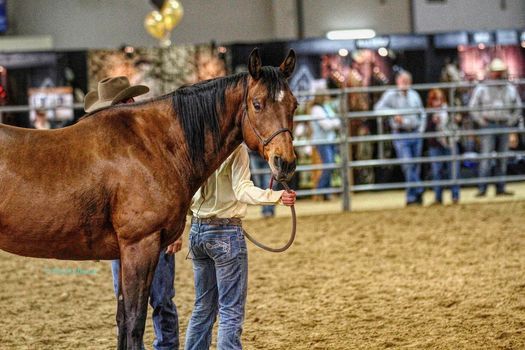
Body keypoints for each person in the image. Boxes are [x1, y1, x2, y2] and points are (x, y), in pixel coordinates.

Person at [84, 76, 182, 350]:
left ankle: (166, 347)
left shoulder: (155, 141)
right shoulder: (110, 151)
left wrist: (178, 226)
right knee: (126, 299)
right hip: (124, 238)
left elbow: (180, 186)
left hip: (153, 230)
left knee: (161, 300)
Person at [185, 144, 297, 350]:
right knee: (230, 310)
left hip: (197, 231)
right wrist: (276, 196)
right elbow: (242, 190)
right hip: (225, 233)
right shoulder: (235, 149)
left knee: (203, 307)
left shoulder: (197, 145)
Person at [469, 58, 522, 197]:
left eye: (500, 72)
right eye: (496, 72)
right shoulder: (482, 88)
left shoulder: (510, 88)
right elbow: (473, 107)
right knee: (486, 157)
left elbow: (518, 107)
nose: (498, 74)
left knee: (502, 158)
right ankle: (482, 188)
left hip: (503, 124)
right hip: (489, 124)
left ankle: (500, 187)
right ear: (490, 72)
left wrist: (511, 121)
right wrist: (481, 121)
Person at [374, 70, 427, 205]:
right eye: (403, 81)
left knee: (414, 165)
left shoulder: (414, 95)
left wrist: (420, 130)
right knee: (408, 164)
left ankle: (413, 196)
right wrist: (393, 114)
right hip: (401, 133)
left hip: (415, 132)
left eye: (407, 81)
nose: (405, 84)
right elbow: (377, 109)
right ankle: (418, 189)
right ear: (397, 82)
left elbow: (422, 113)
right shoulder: (390, 95)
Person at [426, 88, 460, 204]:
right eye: (435, 99)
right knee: (437, 171)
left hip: (450, 143)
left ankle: (455, 196)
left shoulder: (449, 110)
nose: (438, 102)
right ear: (431, 101)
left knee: (453, 170)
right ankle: (438, 197)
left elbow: (456, 126)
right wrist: (432, 122)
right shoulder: (429, 113)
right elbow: (426, 130)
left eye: (440, 99)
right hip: (435, 145)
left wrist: (456, 120)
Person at [308, 91, 341, 200]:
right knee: (329, 164)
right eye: (325, 95)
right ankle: (320, 189)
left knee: (330, 166)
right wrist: (335, 123)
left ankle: (326, 193)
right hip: (322, 141)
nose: (328, 97)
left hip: (329, 140)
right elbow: (327, 125)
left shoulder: (326, 107)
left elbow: (335, 120)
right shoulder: (316, 109)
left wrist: (334, 122)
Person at [249, 150, 276, 218]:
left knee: (268, 184)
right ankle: (265, 209)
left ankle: (269, 210)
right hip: (254, 155)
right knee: (258, 184)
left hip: (268, 155)